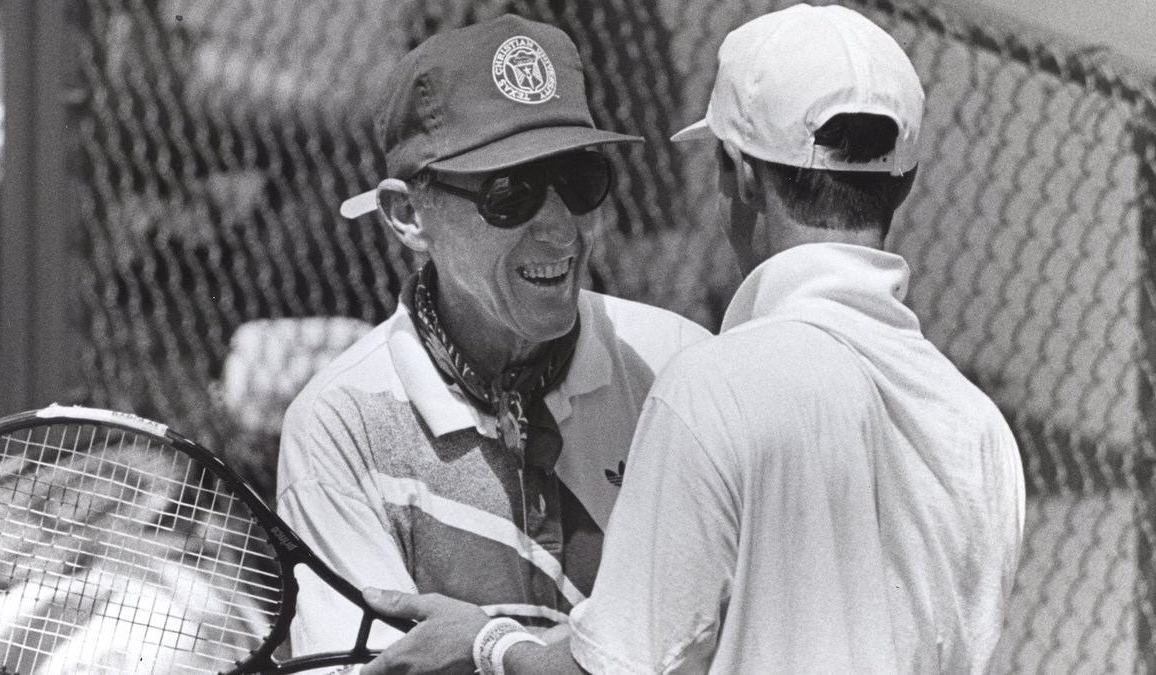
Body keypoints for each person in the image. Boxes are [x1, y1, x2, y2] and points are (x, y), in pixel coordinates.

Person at [359, 5, 1027, 674]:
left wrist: (486, 643)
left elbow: (613, 667)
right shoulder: (979, 430)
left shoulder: (714, 387)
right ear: (903, 182)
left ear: (736, 172)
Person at [274, 14, 711, 658]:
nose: (562, 229)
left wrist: (488, 652)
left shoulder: (677, 368)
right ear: (406, 215)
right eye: (512, 193)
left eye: (580, 179)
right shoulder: (343, 426)